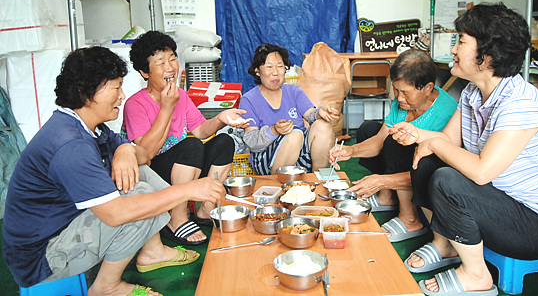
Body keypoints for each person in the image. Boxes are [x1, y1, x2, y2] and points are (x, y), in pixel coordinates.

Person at [2, 46, 226, 296]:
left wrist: (126, 151)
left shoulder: (91, 128)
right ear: (85, 93)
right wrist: (189, 190)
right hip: (44, 255)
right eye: (116, 88)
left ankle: (152, 252)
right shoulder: (70, 145)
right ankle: (107, 287)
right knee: (137, 194)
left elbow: (144, 155)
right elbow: (115, 214)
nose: (121, 96)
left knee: (140, 173)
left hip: (67, 225)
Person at [390, 3, 538, 295]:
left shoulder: (519, 103)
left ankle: (477, 276)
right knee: (428, 161)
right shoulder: (473, 92)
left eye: (461, 41)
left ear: (487, 56)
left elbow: (480, 172)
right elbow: (448, 140)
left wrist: (433, 142)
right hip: (504, 198)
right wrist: (416, 133)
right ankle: (445, 246)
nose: (454, 49)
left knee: (448, 178)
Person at [123, 31, 248, 246]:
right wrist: (167, 106)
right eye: (160, 62)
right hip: (154, 172)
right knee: (191, 146)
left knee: (224, 142)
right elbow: (146, 153)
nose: (170, 67)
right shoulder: (136, 104)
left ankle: (206, 209)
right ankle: (177, 218)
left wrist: (220, 118)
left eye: (172, 58)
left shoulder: (181, 95)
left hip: (183, 167)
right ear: (145, 72)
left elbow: (200, 129)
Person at [329, 49, 457, 242]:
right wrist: (350, 151)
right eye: (395, 89)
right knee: (369, 129)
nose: (398, 97)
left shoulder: (446, 112)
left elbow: (430, 168)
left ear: (428, 88)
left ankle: (410, 219)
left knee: (398, 142)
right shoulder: (401, 103)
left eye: (405, 92)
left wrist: (381, 180)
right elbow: (379, 140)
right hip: (406, 166)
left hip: (431, 172)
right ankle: (387, 197)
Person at [239, 43, 339, 175]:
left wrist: (320, 113)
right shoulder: (249, 99)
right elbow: (251, 141)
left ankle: (319, 178)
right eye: (269, 67)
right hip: (267, 162)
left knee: (323, 126)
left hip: (299, 158)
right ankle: (278, 185)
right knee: (294, 134)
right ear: (257, 71)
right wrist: (274, 131)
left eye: (280, 66)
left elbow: (311, 115)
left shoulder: (293, 91)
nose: (275, 73)